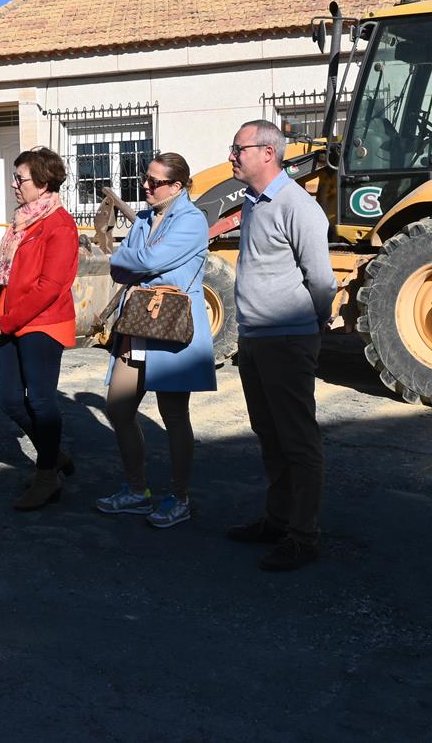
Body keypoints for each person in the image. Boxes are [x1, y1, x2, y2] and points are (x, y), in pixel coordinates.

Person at [226, 120, 336, 572]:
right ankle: (278, 519)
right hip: (255, 338)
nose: (232, 155)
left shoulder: (297, 206)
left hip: (286, 340)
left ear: (267, 152)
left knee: (297, 439)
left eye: (238, 148)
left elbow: (322, 280)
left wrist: (311, 323)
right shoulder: (255, 203)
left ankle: (303, 535)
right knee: (270, 435)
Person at [94, 152, 216, 528]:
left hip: (171, 326)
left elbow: (142, 259)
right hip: (137, 323)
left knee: (174, 416)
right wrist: (135, 263)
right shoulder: (146, 217)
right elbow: (126, 262)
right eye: (145, 178)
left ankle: (179, 498)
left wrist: (134, 263)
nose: (145, 186)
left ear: (177, 186)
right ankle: (137, 490)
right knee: (118, 407)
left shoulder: (193, 220)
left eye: (155, 181)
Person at [0, 147, 79, 511]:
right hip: (13, 321)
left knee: (40, 400)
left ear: (42, 182)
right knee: (8, 399)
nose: (14, 184)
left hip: (43, 323)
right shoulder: (22, 220)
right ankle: (54, 456)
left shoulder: (59, 224)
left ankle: (46, 476)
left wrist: (8, 319)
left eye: (19, 178)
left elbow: (50, 285)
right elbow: (3, 274)